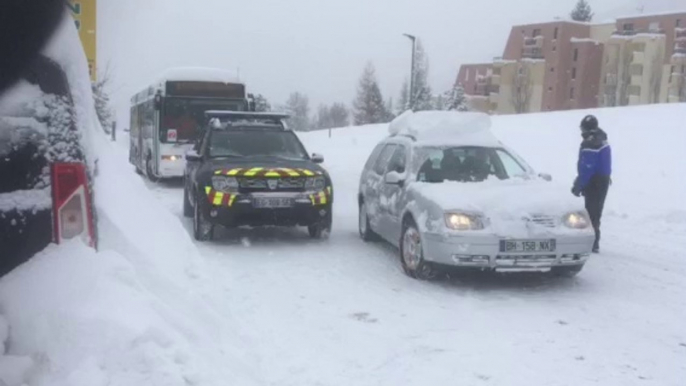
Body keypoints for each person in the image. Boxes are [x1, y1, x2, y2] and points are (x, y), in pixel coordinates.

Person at [572, 115, 612, 253]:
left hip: (593, 181)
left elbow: (587, 167)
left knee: (590, 212)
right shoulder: (602, 139)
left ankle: (591, 243)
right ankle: (594, 242)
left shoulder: (591, 143)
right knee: (596, 212)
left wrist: (579, 184)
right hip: (603, 180)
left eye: (582, 128)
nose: (581, 131)